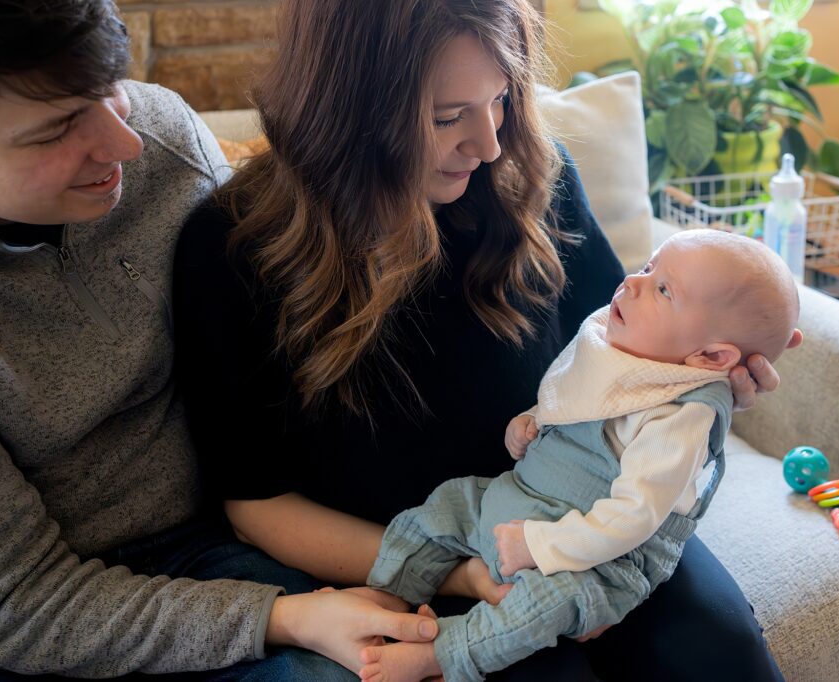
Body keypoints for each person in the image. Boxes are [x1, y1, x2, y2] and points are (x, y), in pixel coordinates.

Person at [174, 1, 801, 680]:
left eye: (499, 99)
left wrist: (707, 385)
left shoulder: (535, 179)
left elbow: (634, 356)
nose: (489, 143)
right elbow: (256, 505)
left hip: (587, 516)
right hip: (426, 551)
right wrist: (467, 572)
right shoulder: (231, 251)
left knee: (720, 654)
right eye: (447, 117)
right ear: (349, 115)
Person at [0, 1, 443, 678]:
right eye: (57, 130)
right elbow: (12, 606)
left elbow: (274, 357)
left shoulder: (165, 141)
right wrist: (282, 617)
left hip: (228, 536)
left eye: (111, 91)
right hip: (47, 608)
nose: (124, 145)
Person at [361, 229, 800, 682]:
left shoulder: (681, 415)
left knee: (543, 606)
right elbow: (579, 396)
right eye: (648, 267)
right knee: (440, 509)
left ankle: (444, 653)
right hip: (520, 499)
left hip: (599, 554)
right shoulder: (621, 341)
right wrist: (533, 419)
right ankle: (386, 603)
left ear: (710, 355)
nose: (632, 282)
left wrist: (539, 544)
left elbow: (632, 518)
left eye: (663, 289)